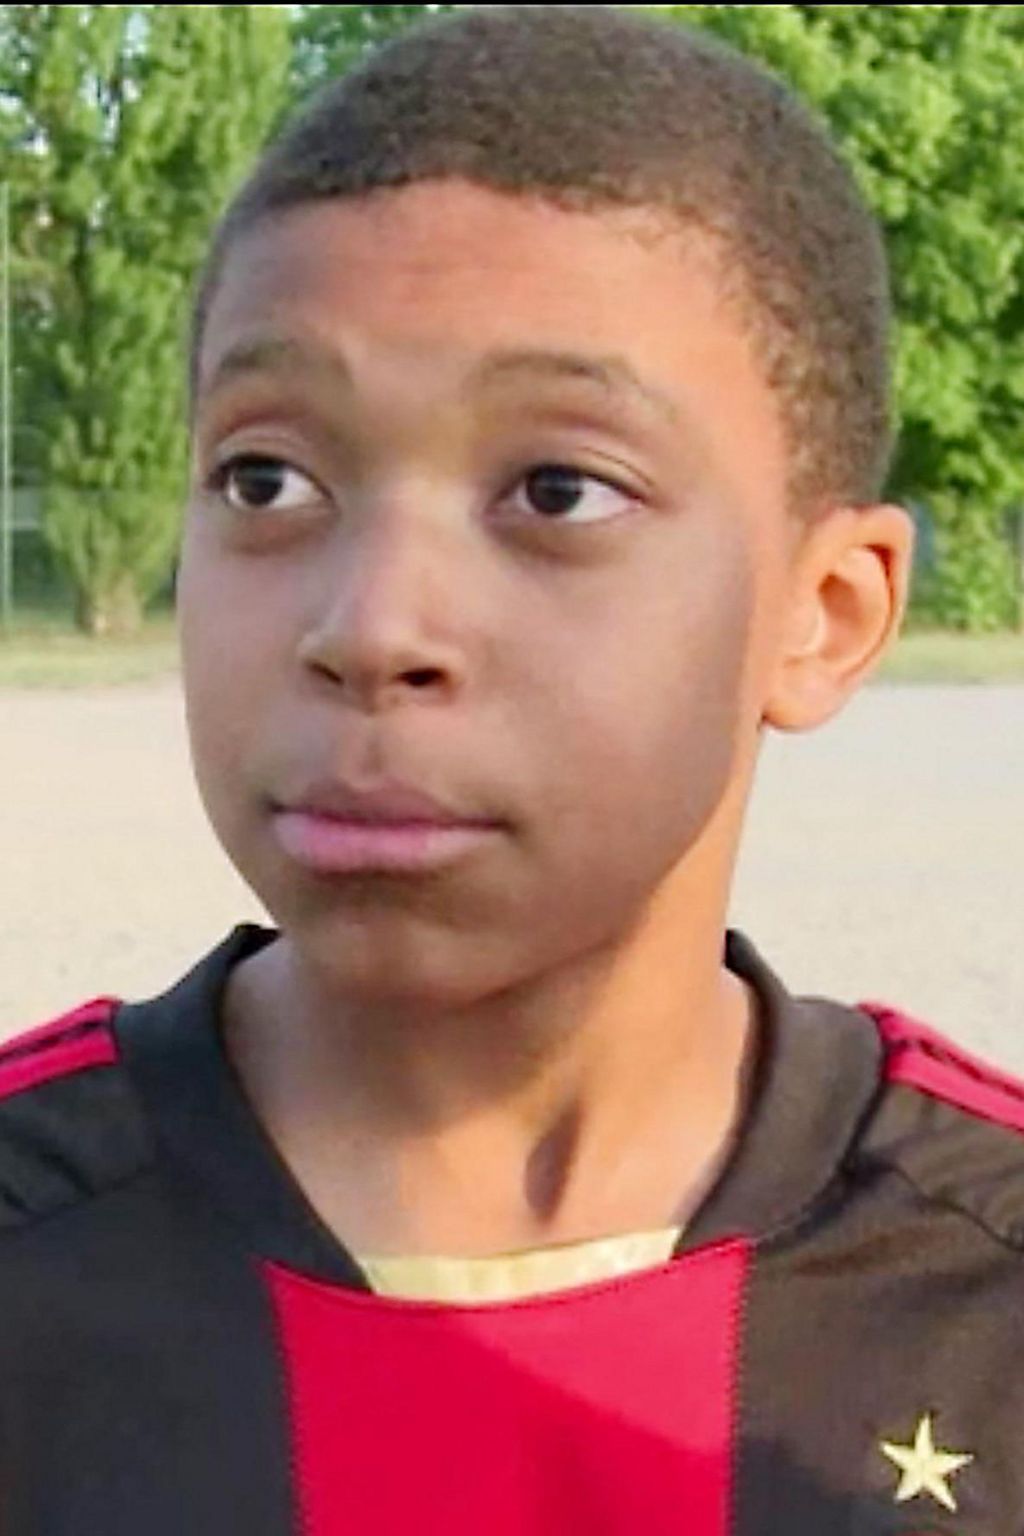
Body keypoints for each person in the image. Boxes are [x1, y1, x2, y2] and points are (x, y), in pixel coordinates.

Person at [2, 6, 1020, 1531]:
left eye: (558, 488)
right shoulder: (35, 1252)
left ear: (823, 615)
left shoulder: (982, 1288)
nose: (372, 627)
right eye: (264, 478)